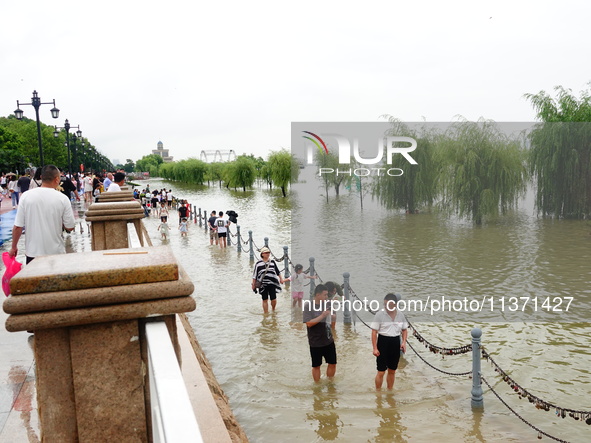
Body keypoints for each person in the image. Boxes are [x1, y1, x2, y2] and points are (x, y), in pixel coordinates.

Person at [8, 165, 76, 264]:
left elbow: (18, 226)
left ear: (41, 177)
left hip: (33, 253)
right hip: (56, 252)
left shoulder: (26, 196)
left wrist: (13, 247)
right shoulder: (62, 198)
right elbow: (70, 227)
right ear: (57, 179)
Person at [370, 293, 408, 390]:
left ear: (394, 304)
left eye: (389, 305)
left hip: (395, 342)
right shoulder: (380, 314)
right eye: (385, 304)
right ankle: (378, 393)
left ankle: (389, 391)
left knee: (392, 370)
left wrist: (403, 342)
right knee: (381, 371)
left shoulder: (400, 315)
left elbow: (404, 330)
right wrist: (375, 348)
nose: (386, 307)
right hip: (383, 341)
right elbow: (374, 332)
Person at [303, 284, 337, 382]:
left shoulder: (328, 304)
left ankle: (330, 383)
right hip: (315, 341)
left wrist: (333, 316)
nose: (327, 297)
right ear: (318, 295)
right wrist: (322, 316)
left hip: (328, 340)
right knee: (316, 366)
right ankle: (317, 386)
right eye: (325, 295)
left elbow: (333, 317)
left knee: (332, 363)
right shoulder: (308, 306)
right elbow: (309, 324)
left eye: (327, 295)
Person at [251, 246, 284, 313]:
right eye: (266, 253)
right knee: (265, 299)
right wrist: (253, 285)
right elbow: (255, 275)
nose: (268, 254)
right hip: (262, 284)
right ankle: (266, 313)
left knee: (273, 299)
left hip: (272, 283)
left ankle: (273, 310)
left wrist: (281, 279)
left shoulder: (272, 262)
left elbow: (277, 271)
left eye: (269, 252)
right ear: (262, 254)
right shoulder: (258, 264)